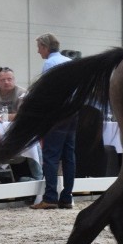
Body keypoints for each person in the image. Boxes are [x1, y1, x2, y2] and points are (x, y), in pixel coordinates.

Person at [30, 32, 76, 210]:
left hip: (56, 112)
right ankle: (66, 197)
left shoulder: (49, 63)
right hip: (73, 111)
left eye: (39, 48)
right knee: (69, 156)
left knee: (51, 155)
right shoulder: (70, 62)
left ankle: (50, 197)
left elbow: (48, 91)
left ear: (45, 47)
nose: (38, 51)